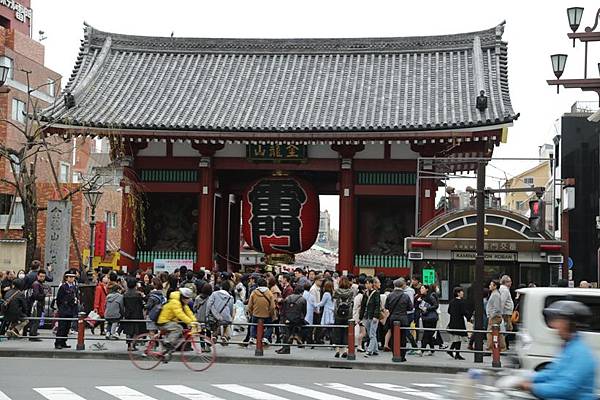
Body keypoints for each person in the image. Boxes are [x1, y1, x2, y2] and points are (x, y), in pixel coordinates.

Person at [518, 300, 597, 399]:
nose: (554, 326)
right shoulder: (569, 347)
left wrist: (531, 386)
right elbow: (553, 373)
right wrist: (526, 377)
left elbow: (566, 388)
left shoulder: (580, 353)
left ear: (570, 324)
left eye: (559, 321)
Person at [156, 287, 198, 360]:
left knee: (177, 336)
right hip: (163, 321)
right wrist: (190, 322)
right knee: (178, 328)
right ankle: (167, 342)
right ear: (184, 298)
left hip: (169, 321)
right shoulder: (175, 302)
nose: (189, 300)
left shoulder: (181, 302)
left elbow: (188, 312)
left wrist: (194, 321)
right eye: (188, 298)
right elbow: (180, 314)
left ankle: (165, 354)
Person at [384, 278, 413, 362]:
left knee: (393, 337)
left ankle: (395, 354)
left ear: (394, 285)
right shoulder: (405, 296)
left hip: (393, 318)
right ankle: (402, 356)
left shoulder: (390, 295)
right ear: (402, 285)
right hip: (403, 319)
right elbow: (410, 307)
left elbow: (386, 307)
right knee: (403, 338)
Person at [276, 285, 307, 354]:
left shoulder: (288, 298)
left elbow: (284, 308)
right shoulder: (303, 299)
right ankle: (297, 336)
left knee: (286, 333)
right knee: (305, 327)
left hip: (288, 318)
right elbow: (304, 311)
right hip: (298, 319)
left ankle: (285, 347)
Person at [247, 277, 276, 344]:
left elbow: (249, 305)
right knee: (270, 326)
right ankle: (265, 338)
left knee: (253, 325)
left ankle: (252, 337)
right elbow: (272, 307)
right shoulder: (269, 293)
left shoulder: (254, 293)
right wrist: (271, 314)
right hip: (266, 315)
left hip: (256, 314)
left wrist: (252, 313)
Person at [54, 272, 79, 349]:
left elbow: (76, 296)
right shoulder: (63, 287)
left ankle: (64, 341)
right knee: (62, 327)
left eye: (73, 277)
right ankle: (58, 342)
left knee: (67, 327)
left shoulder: (74, 287)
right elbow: (59, 299)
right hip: (64, 309)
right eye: (70, 277)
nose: (71, 278)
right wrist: (61, 308)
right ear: (66, 278)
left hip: (71, 309)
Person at [122, 277, 147, 350]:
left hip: (128, 314)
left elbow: (124, 304)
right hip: (137, 314)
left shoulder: (125, 294)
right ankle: (133, 345)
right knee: (136, 330)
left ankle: (129, 345)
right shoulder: (138, 294)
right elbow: (141, 304)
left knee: (129, 330)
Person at [332, 276, 353, 358]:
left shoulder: (337, 291)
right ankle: (345, 351)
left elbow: (334, 299)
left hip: (338, 314)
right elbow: (351, 302)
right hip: (348, 314)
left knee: (337, 332)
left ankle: (337, 350)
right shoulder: (350, 292)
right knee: (346, 332)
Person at [447, 287, 471, 360]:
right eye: (461, 292)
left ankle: (453, 351)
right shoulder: (462, 302)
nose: (463, 293)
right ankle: (455, 353)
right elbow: (464, 312)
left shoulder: (452, 302)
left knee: (457, 338)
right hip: (459, 322)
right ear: (458, 293)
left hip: (452, 321)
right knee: (459, 337)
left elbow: (449, 311)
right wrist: (469, 318)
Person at [26, 269, 50, 341]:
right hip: (36, 304)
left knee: (36, 320)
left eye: (43, 276)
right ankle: (33, 335)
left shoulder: (38, 284)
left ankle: (33, 334)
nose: (42, 278)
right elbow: (36, 295)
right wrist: (44, 294)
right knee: (36, 320)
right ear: (38, 276)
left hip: (37, 303)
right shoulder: (36, 284)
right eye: (41, 276)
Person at [418, 284, 439, 356]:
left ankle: (422, 350)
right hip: (425, 317)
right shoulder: (422, 297)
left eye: (423, 288)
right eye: (421, 288)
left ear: (427, 289)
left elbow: (436, 305)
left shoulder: (431, 296)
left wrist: (427, 308)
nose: (421, 290)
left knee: (427, 334)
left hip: (431, 318)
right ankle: (432, 349)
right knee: (429, 334)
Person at [363, 277, 381, 357]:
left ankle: (369, 350)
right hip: (367, 316)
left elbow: (377, 305)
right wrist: (361, 317)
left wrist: (376, 316)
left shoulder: (376, 293)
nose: (366, 285)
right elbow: (363, 306)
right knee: (372, 333)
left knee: (372, 334)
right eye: (365, 283)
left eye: (368, 283)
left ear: (371, 284)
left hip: (373, 316)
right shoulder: (366, 293)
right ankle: (375, 350)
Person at [486, 279, 505, 351]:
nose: (489, 286)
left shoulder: (496, 295)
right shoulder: (494, 294)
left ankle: (490, 348)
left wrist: (491, 315)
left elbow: (496, 308)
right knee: (498, 332)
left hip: (494, 317)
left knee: (490, 332)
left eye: (491, 285)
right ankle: (502, 347)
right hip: (494, 316)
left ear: (495, 286)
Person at [499, 275, 514, 349]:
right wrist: (501, 313)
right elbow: (502, 301)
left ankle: (504, 344)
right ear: (505, 282)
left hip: (506, 312)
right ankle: (502, 344)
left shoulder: (504, 289)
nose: (511, 283)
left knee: (506, 328)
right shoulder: (505, 290)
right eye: (509, 281)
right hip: (505, 312)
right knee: (508, 328)